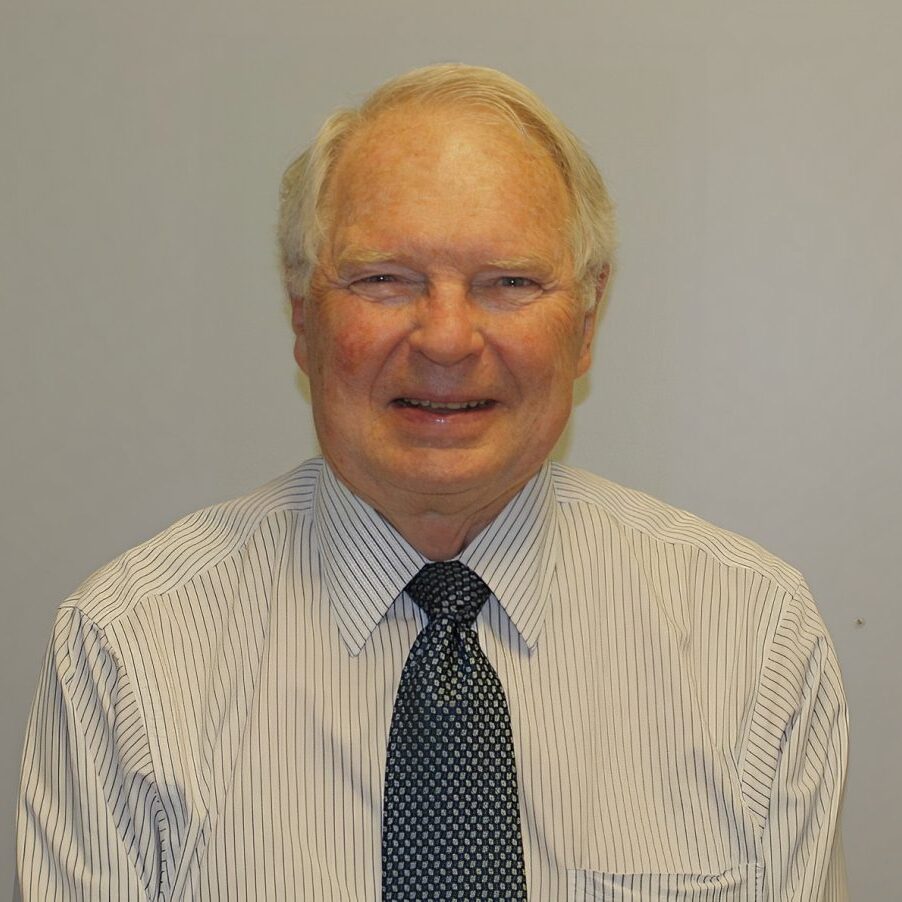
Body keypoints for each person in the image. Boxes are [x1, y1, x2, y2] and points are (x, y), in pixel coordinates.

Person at [17, 64, 847, 900]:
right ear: (303, 317)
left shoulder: (753, 641)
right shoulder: (129, 652)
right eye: (385, 279)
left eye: (510, 282)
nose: (447, 338)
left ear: (587, 324)